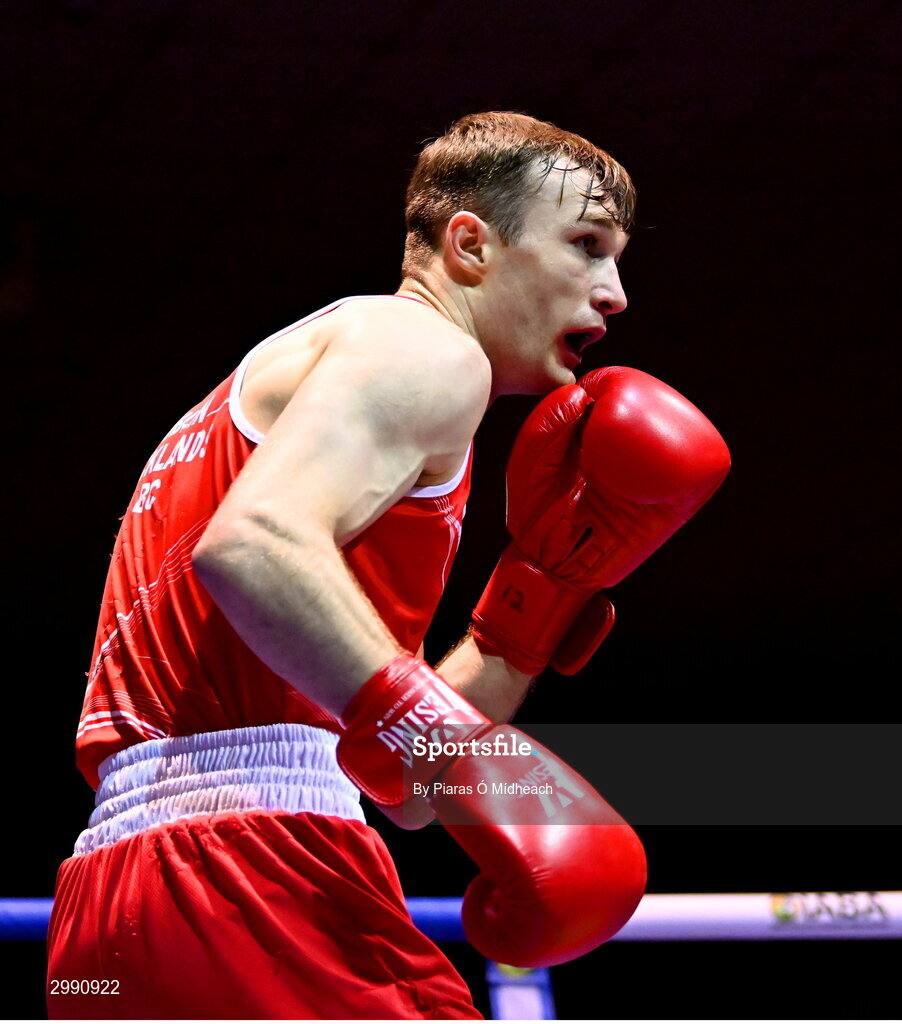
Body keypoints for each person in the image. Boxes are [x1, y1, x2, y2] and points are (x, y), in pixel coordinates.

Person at [46, 111, 729, 1019]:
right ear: (471, 243)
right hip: (252, 876)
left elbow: (397, 786)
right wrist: (456, 748)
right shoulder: (425, 351)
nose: (613, 293)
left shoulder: (294, 385)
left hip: (118, 900)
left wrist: (534, 605)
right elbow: (253, 547)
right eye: (585, 245)